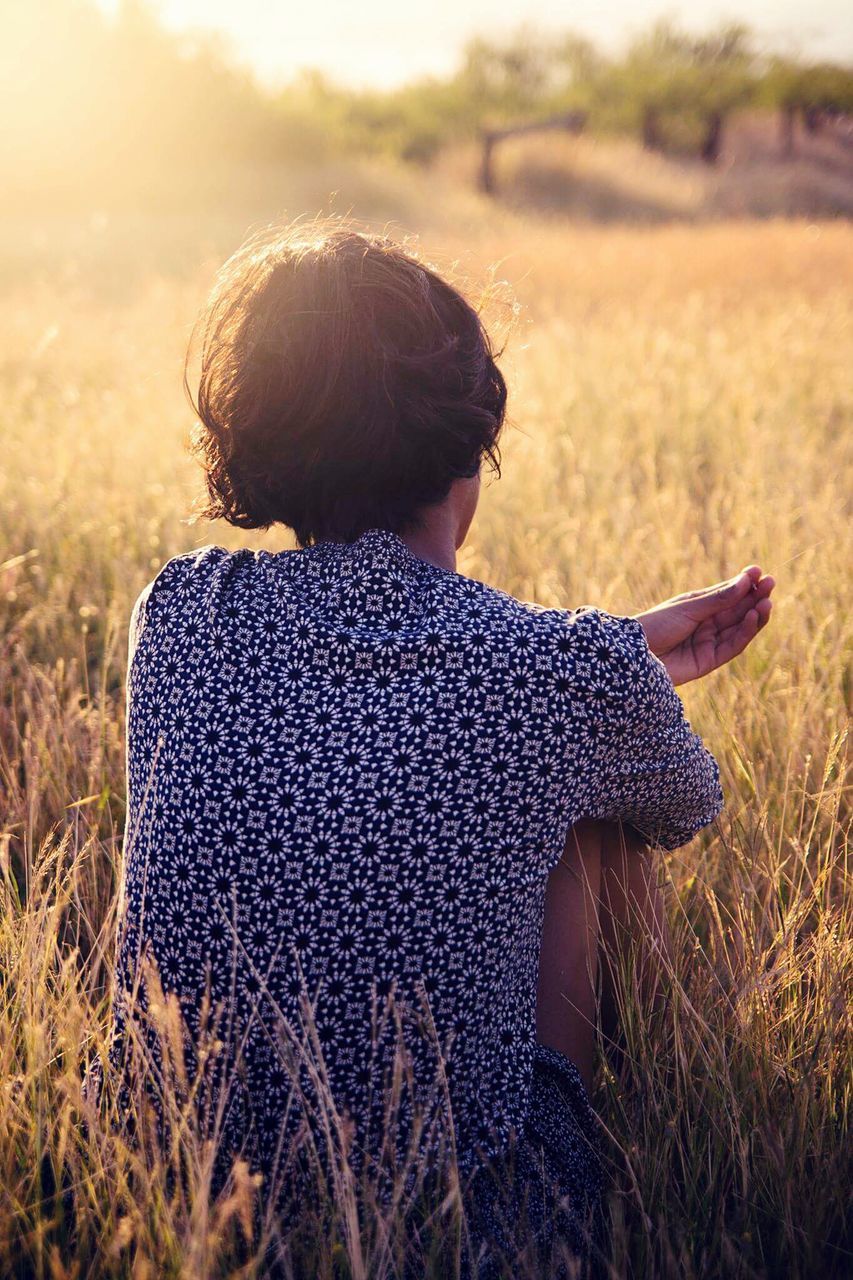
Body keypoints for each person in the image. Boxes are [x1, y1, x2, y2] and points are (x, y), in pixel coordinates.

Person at [101, 219, 774, 1277]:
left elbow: (373, 693)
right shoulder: (561, 675)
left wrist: (603, 657)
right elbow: (687, 805)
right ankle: (620, 1149)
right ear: (472, 442)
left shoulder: (180, 609)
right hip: (455, 1223)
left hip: (165, 1198)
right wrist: (609, 667)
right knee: (604, 814)